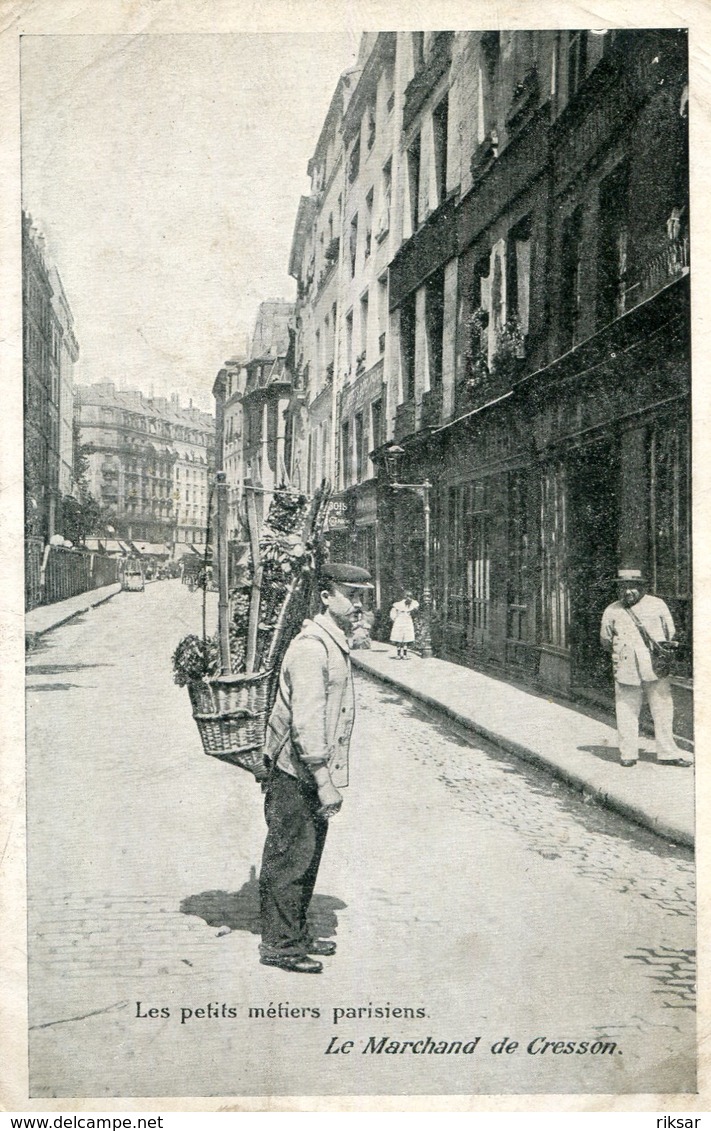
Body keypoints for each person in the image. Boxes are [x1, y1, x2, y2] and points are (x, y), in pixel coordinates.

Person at [258, 561, 374, 974]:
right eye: (352, 595)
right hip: (295, 771)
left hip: (303, 769)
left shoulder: (332, 640)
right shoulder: (311, 648)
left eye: (362, 596)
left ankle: (295, 933)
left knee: (305, 856)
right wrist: (324, 780)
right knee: (290, 857)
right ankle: (280, 945)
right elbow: (306, 722)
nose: (359, 604)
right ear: (326, 597)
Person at [600, 567, 691, 768]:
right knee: (626, 709)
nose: (627, 591)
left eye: (633, 587)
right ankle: (628, 754)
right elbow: (605, 640)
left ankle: (668, 753)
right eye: (623, 587)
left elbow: (670, 632)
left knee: (663, 709)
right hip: (626, 667)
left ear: (643, 588)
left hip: (655, 666)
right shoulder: (612, 610)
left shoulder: (658, 605)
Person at [389, 589, 419, 659]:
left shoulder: (412, 603)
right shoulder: (398, 604)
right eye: (407, 596)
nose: (409, 598)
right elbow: (392, 614)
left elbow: (416, 606)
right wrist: (395, 619)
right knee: (399, 638)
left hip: (407, 621)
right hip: (399, 621)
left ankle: (405, 654)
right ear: (404, 597)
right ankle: (398, 654)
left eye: (410, 596)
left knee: (406, 638)